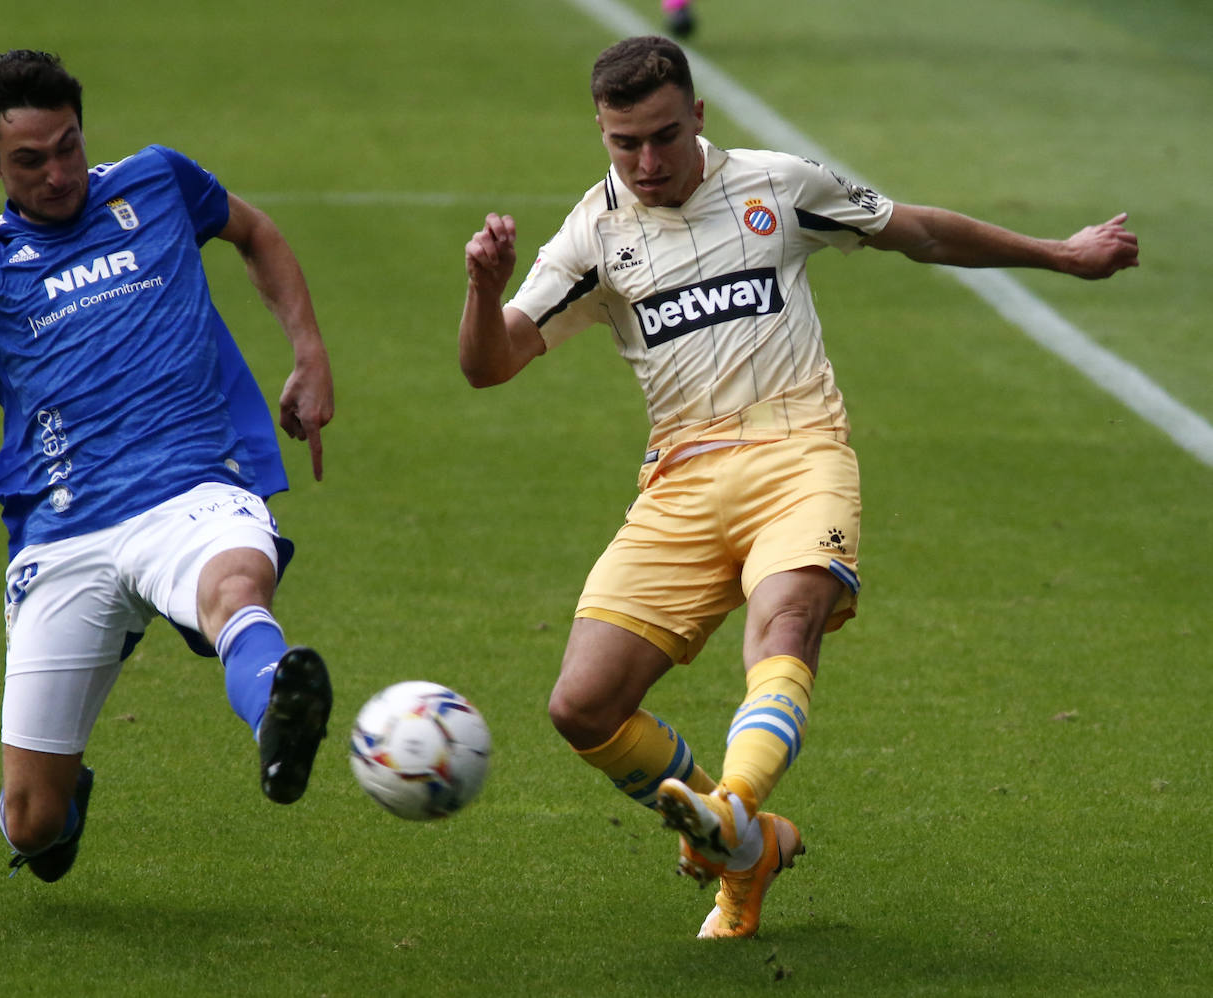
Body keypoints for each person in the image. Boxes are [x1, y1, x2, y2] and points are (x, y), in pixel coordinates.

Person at [459, 35, 1138, 938]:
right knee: (580, 706)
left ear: (699, 117)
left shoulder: (777, 186)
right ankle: (751, 846)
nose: (649, 162)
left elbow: (920, 229)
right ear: (603, 134)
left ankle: (731, 814)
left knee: (784, 624)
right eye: (627, 144)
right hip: (680, 477)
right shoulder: (593, 232)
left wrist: (1062, 253)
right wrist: (483, 289)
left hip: (799, 451)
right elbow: (491, 365)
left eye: (665, 135)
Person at [0, 50, 337, 883]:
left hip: (190, 490)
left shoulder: (156, 182)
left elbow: (254, 231)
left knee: (237, 585)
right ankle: (64, 803)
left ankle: (280, 716)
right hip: (64, 530)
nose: (59, 173)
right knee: (31, 826)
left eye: (67, 146)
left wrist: (309, 351)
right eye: (30, 160)